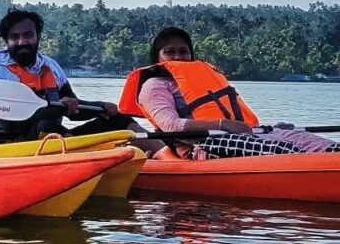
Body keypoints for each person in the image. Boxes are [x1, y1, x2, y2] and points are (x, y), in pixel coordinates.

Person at [119, 26, 340, 158]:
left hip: (245, 132)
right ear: (158, 57)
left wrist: (271, 128)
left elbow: (238, 120)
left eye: (183, 51)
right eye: (170, 52)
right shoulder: (154, 85)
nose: (178, 57)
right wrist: (222, 125)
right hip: (200, 144)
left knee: (318, 143)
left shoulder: (201, 75)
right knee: (285, 149)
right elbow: (170, 125)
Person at [0, 8, 138, 143]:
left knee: (118, 119)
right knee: (46, 125)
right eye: (14, 37)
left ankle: (158, 154)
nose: (22, 42)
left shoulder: (51, 68)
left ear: (38, 37)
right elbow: (5, 123)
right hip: (10, 144)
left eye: (28, 35)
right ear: (6, 42)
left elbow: (74, 111)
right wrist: (56, 109)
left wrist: (101, 107)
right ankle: (76, 155)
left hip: (56, 138)